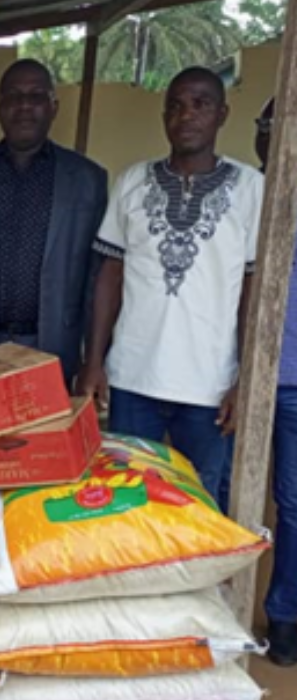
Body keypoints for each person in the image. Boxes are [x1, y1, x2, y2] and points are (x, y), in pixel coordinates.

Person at [78, 67, 264, 507]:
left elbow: (254, 291)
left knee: (198, 504)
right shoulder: (133, 182)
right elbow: (110, 275)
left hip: (211, 387)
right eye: (176, 105)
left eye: (200, 104)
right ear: (164, 116)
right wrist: (95, 361)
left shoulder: (251, 190)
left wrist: (246, 378)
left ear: (223, 114)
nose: (187, 115)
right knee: (125, 500)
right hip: (132, 378)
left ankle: (194, 582)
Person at [0, 58, 108, 387]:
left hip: (53, 343)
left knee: (44, 438)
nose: (24, 106)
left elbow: (96, 275)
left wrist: (93, 356)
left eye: (36, 96)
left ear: (53, 106)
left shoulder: (87, 179)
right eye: (13, 96)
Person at [254, 96, 297, 665]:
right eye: (273, 125)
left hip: (294, 381)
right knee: (213, 497)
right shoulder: (241, 193)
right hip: (232, 376)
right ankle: (212, 604)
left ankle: (283, 616)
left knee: (292, 503)